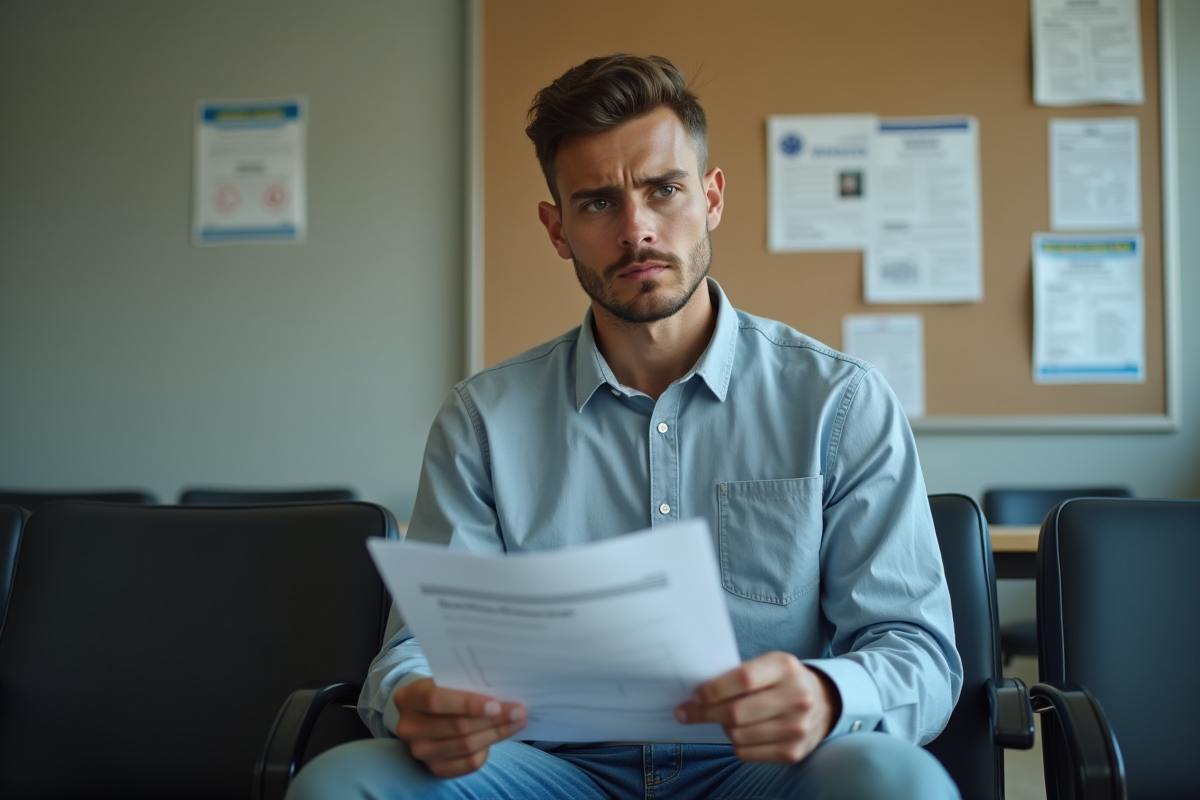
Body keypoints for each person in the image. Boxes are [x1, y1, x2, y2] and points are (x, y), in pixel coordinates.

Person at [287, 53, 963, 800]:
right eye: (598, 203)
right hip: (548, 772)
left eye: (664, 190)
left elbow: (917, 652)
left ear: (711, 197)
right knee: (343, 784)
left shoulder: (840, 402)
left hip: (765, 768)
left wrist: (830, 696)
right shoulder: (483, 420)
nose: (636, 230)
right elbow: (415, 648)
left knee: (899, 781)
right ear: (557, 229)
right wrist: (417, 699)